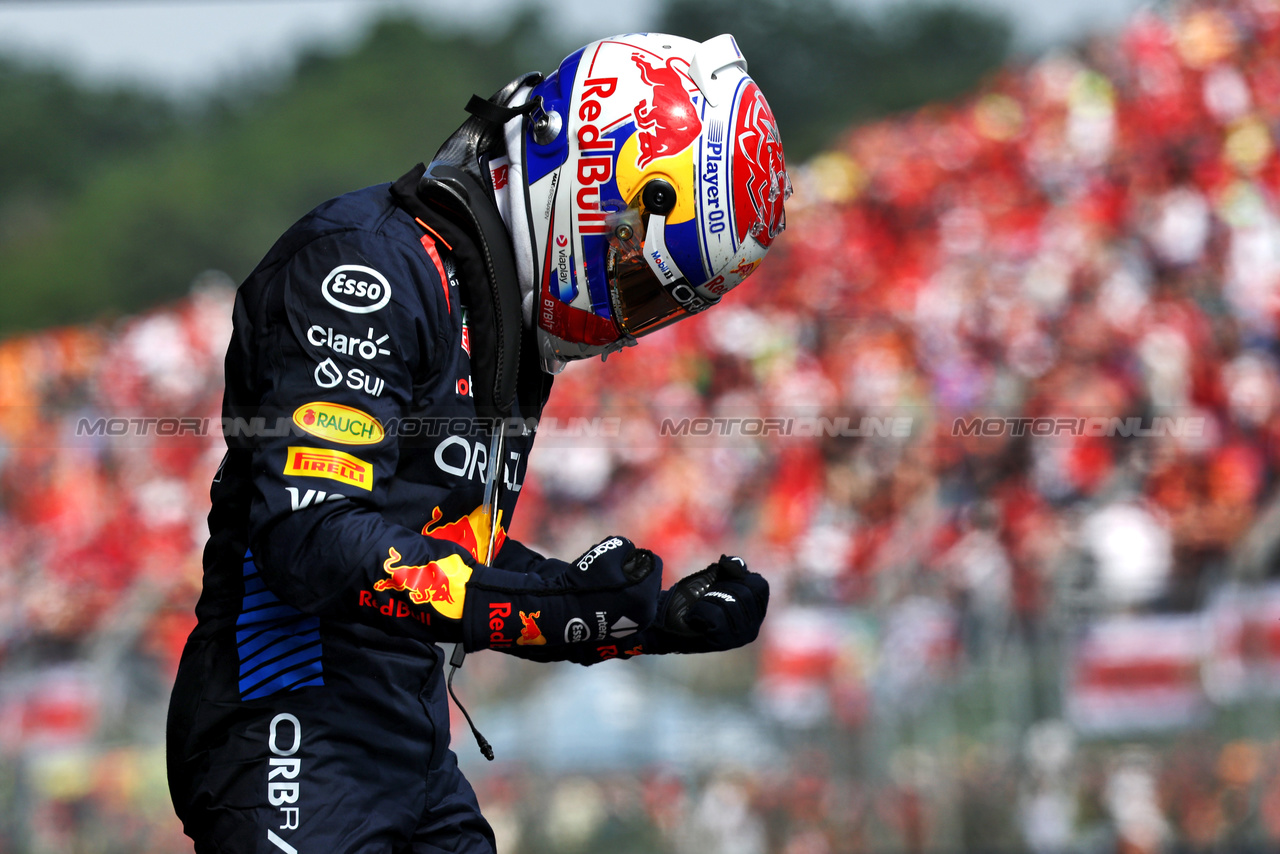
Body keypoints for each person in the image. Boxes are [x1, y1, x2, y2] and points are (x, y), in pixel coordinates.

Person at [167, 31, 787, 854]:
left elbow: (443, 551)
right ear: (588, 173)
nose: (630, 314)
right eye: (633, 265)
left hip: (407, 741)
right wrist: (557, 606)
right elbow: (311, 538)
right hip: (290, 726)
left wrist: (645, 618)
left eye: (660, 299)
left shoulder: (502, 314)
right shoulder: (366, 268)